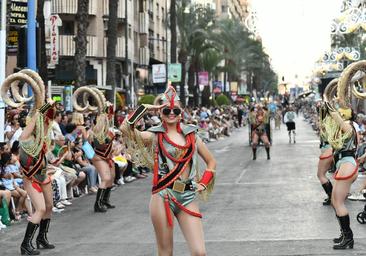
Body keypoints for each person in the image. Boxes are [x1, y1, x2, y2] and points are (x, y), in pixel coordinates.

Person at [120, 86, 216, 255]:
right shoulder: (154, 136)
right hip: (163, 196)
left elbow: (211, 161)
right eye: (166, 110)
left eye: (175, 110)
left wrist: (203, 183)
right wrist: (144, 109)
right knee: (166, 252)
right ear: (160, 112)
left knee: (199, 252)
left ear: (181, 112)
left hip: (188, 196)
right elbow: (126, 130)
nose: (171, 113)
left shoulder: (192, 135)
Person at [1, 70, 57, 255]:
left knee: (49, 207)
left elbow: (48, 118)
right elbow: (32, 126)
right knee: (40, 209)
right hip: (31, 179)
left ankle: (42, 238)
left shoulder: (42, 136)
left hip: (43, 175)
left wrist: (48, 106)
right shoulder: (25, 137)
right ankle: (25, 244)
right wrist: (39, 110)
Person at [72, 87, 115, 212]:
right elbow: (96, 143)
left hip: (106, 155)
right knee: (106, 178)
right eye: (108, 112)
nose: (110, 114)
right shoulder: (97, 129)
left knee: (111, 178)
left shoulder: (107, 126)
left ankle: (105, 200)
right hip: (98, 155)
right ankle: (98, 204)